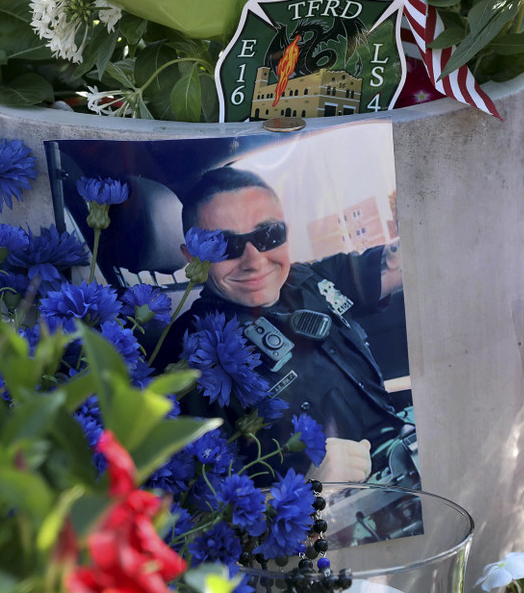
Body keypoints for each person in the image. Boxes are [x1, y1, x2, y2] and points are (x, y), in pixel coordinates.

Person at [167, 166, 417, 486]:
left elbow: (397, 262)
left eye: (268, 235)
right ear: (192, 258)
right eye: (222, 245)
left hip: (406, 460)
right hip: (342, 519)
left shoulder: (310, 279)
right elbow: (203, 509)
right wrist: (312, 488)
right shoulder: (188, 361)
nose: (254, 260)